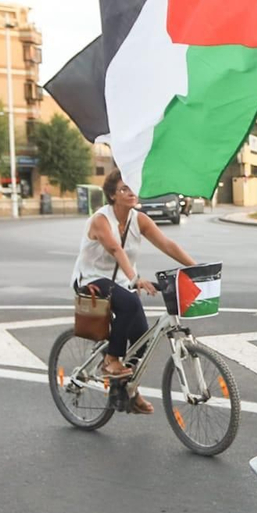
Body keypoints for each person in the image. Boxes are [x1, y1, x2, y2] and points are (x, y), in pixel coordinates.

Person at [70, 170, 197, 408]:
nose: (131, 193)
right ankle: (110, 359)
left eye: (132, 188)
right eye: (124, 189)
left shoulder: (139, 219)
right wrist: (135, 278)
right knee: (129, 304)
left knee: (141, 337)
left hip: (121, 281)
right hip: (92, 278)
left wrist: (196, 268)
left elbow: (167, 244)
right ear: (112, 195)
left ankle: (125, 390)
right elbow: (115, 249)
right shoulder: (100, 220)